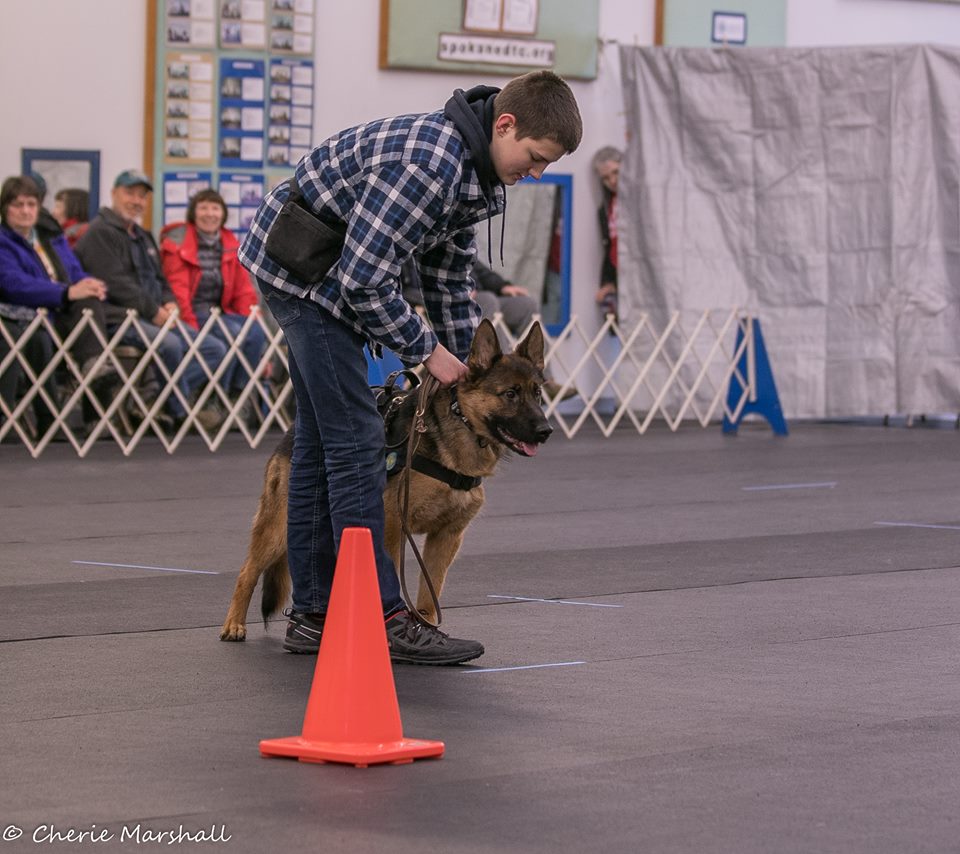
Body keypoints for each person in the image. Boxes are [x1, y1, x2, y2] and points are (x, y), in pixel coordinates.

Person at [239, 70, 582, 662]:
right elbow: (364, 279)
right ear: (505, 126)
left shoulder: (476, 175)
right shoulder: (430, 163)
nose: (535, 174)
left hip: (332, 277)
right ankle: (381, 611)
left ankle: (314, 615)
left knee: (323, 442)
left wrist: (470, 365)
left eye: (545, 166)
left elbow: (449, 279)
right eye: (534, 158)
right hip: (302, 276)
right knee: (356, 440)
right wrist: (428, 353)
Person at [75, 169, 227, 431]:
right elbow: (116, 284)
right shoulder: (98, 233)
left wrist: (170, 303)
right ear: (113, 194)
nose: (136, 200)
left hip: (155, 315)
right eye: (130, 193)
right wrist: (155, 312)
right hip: (117, 317)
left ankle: (152, 398)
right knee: (169, 344)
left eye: (141, 196)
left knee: (214, 349)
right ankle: (178, 413)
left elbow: (161, 279)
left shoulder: (142, 236)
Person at [0, 175, 117, 436]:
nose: (26, 211)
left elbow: (74, 271)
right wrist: (65, 293)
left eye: (31, 204)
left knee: (90, 300)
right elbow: (14, 284)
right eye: (18, 205)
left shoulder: (51, 236)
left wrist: (90, 284)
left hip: (62, 314)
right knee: (45, 334)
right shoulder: (3, 242)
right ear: (5, 208)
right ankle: (51, 418)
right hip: (25, 315)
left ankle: (95, 379)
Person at [160, 188, 267, 409]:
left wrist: (249, 315)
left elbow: (243, 291)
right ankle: (215, 398)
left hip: (219, 313)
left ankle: (237, 394)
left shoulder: (230, 243)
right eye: (204, 208)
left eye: (215, 208)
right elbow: (177, 289)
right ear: (193, 213)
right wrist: (189, 328)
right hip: (191, 313)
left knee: (255, 332)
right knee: (234, 334)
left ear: (223, 213)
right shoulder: (178, 242)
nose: (210, 213)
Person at [470, 261, 575, 401]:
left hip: (478, 296)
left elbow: (481, 271)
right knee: (488, 300)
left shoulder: (464, 245)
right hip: (459, 300)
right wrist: (462, 287)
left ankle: (545, 381)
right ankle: (503, 369)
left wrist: (503, 286)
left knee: (526, 305)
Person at [592, 146, 621, 320]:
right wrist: (608, 282)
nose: (613, 181)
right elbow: (610, 247)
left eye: (616, 172)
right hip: (618, 276)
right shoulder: (605, 209)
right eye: (606, 178)